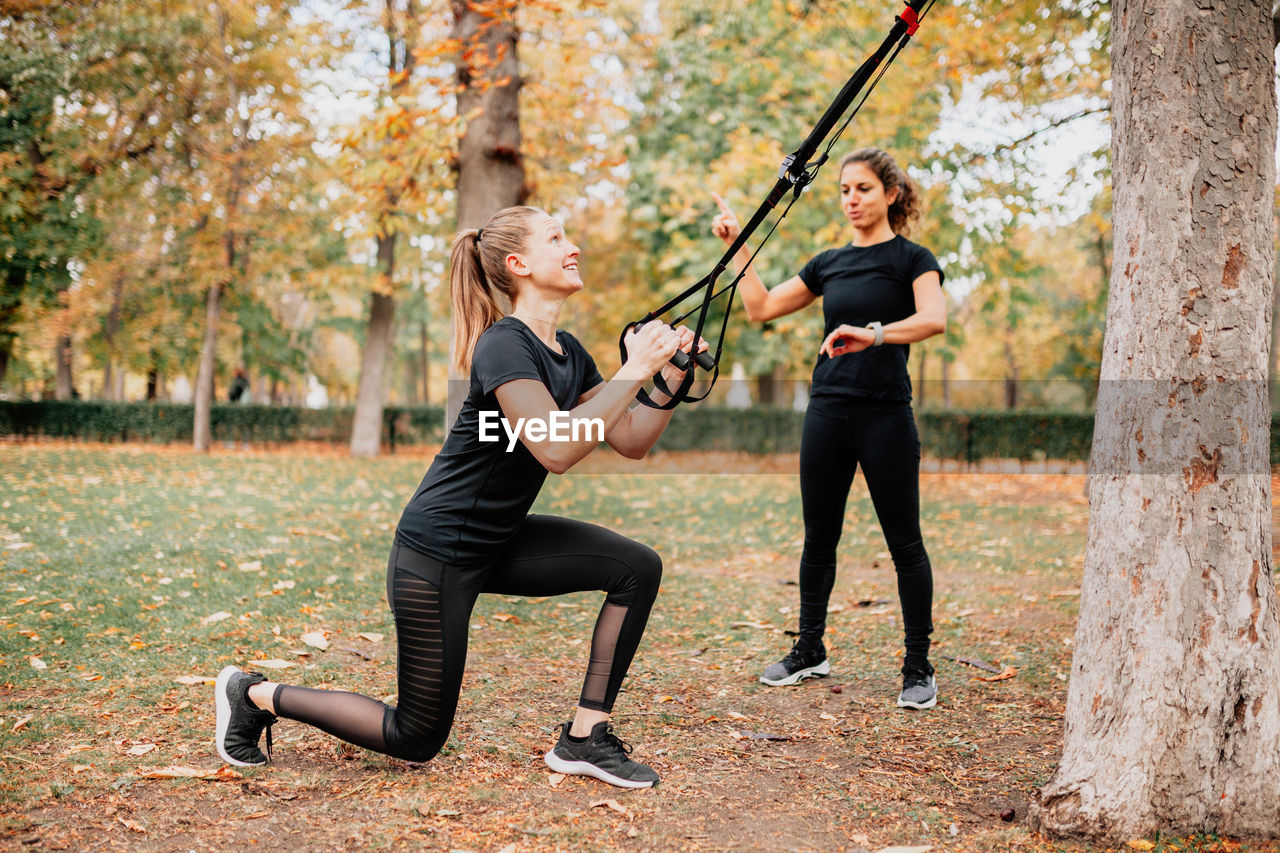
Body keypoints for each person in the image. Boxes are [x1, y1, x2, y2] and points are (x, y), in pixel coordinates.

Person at [215, 205, 704, 788]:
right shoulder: (504, 345)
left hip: (498, 541)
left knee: (635, 568)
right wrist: (634, 368)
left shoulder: (570, 352)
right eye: (556, 238)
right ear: (517, 264)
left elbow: (630, 439)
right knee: (415, 737)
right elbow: (556, 450)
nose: (572, 247)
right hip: (436, 553)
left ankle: (585, 738)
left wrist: (670, 376)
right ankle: (254, 694)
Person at [709, 147, 946, 709]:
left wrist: (874, 334)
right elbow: (762, 308)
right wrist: (737, 243)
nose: (851, 199)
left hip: (885, 414)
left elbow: (934, 319)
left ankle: (918, 665)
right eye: (844, 190)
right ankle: (809, 649)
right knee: (819, 538)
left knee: (904, 543)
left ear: (891, 194)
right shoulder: (828, 263)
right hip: (827, 412)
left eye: (862, 188)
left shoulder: (914, 258)